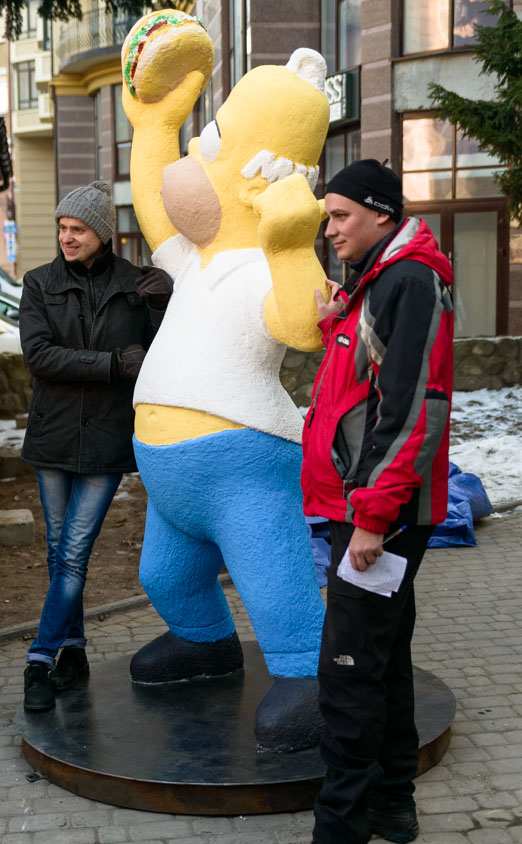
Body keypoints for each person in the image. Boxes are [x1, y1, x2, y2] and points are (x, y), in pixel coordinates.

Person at [301, 159, 454, 844]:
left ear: (382, 214)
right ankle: (392, 804)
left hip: (378, 517)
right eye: (327, 217)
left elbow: (416, 408)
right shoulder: (376, 280)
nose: (330, 229)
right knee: (383, 662)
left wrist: (372, 518)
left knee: (347, 673)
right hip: (364, 508)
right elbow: (363, 387)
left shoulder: (409, 281)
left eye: (341, 216)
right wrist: (336, 320)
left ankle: (341, 829)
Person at [19, 180, 172, 712]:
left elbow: (160, 351)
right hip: (53, 437)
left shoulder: (135, 285)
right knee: (60, 551)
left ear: (102, 234)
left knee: (73, 553)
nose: (67, 237)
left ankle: (39, 659)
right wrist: (109, 364)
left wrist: (162, 304)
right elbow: (40, 356)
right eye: (62, 228)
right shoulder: (39, 283)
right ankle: (75, 650)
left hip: (106, 439)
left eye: (78, 229)